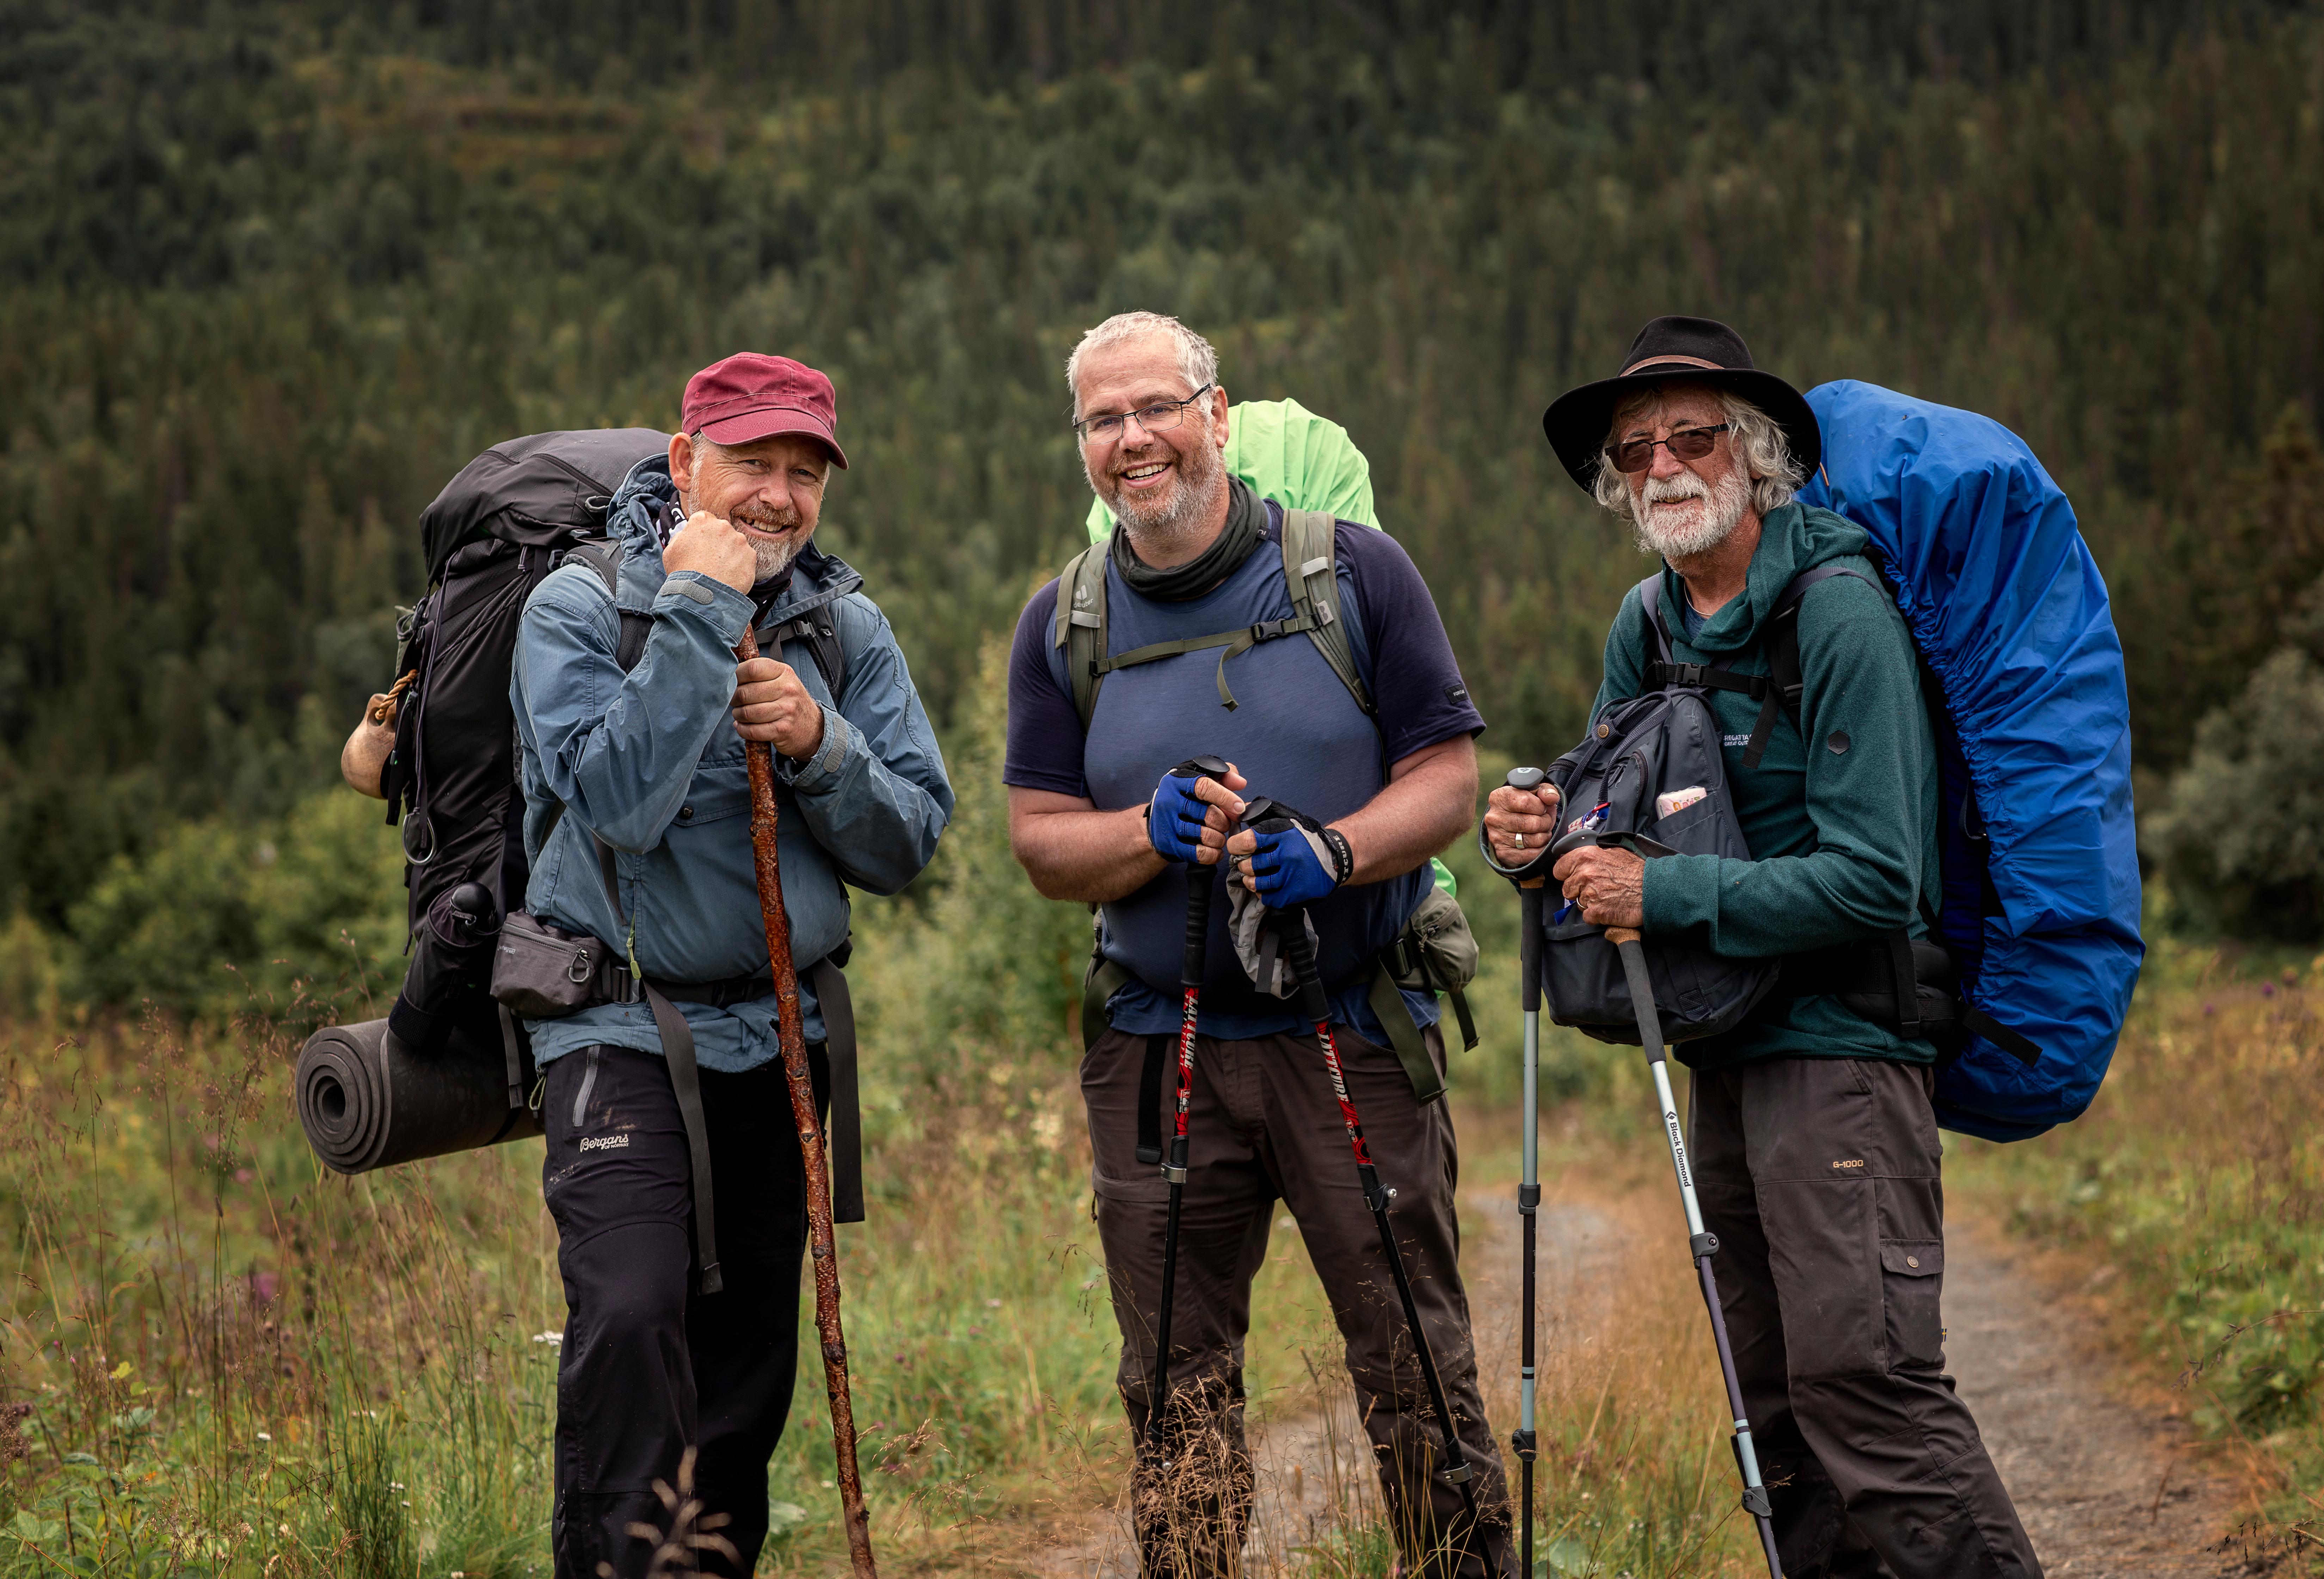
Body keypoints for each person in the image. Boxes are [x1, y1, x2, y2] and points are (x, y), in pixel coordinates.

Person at [1486, 316, 2041, 1578]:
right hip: (1723, 1049)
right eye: (1637, 450)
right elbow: (1605, 815)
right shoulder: (1650, 622)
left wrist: (1661, 893)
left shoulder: (1839, 610)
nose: (1666, 465)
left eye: (1696, 434)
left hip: (1844, 1050)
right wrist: (1536, 840)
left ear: (1761, 454)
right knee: (1774, 1406)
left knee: (1869, 1392)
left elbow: (1876, 878)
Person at [1004, 311, 1507, 1578]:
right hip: (1157, 1050)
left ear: (1217, 415)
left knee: (1413, 1364)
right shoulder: (1062, 622)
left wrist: (1335, 852)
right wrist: (1147, 832)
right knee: (1172, 1383)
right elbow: (1041, 843)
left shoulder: (1357, 572)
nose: (1136, 440)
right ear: (1084, 446)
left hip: (1351, 1027)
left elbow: (1448, 779)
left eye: (1158, 408)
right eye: (1105, 420)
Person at [510, 352, 953, 1575]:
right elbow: (611, 800)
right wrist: (702, 616)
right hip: (616, 1031)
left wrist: (821, 745)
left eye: (804, 471)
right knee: (634, 1316)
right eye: (754, 463)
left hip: (783, 1036)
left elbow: (913, 836)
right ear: (682, 462)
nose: (779, 495)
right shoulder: (578, 611)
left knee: (750, 1362)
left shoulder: (841, 625)